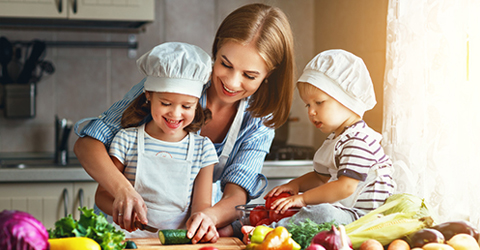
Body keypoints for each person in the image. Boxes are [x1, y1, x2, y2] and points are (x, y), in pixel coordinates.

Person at [73, 3, 295, 243]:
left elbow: (236, 195)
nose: (231, 82)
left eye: (249, 75)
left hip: (178, 237)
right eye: (225, 64)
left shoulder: (258, 121)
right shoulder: (173, 82)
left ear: (268, 74)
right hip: (119, 232)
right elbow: (87, 145)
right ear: (217, 47)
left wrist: (208, 218)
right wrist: (123, 191)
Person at [246, 49, 395, 235]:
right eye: (308, 105)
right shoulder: (338, 139)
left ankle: (271, 232)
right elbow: (320, 177)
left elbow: (346, 186)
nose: (311, 112)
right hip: (346, 213)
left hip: (364, 219)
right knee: (312, 209)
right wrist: (296, 185)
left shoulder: (358, 141)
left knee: (321, 212)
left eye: (319, 102)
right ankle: (251, 226)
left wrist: (303, 199)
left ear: (346, 100)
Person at [94, 42, 219, 238]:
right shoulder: (127, 140)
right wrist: (122, 211)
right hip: (128, 240)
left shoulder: (203, 149)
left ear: (197, 104)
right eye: (166, 103)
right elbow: (102, 196)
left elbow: (201, 206)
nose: (175, 114)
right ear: (148, 95)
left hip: (176, 243)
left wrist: (201, 223)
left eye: (187, 106)